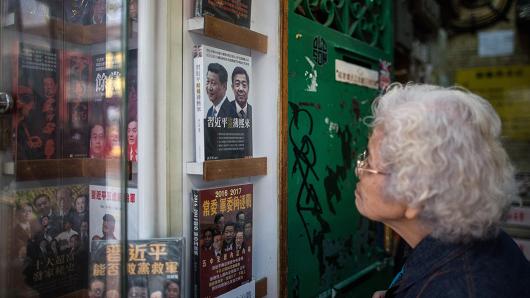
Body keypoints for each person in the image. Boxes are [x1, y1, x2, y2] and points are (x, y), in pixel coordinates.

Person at [355, 84, 530, 298]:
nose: (360, 170)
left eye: (370, 163)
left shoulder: (456, 290)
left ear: (416, 194)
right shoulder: (477, 243)